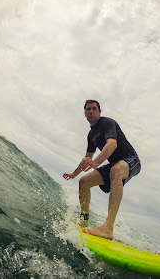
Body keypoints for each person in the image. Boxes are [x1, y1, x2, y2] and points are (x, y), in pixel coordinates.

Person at [63, 100, 141, 240]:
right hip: (114, 164)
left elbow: (112, 144)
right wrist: (73, 174)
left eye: (94, 109)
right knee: (84, 181)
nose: (91, 111)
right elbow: (87, 159)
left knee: (116, 171)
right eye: (88, 109)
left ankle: (108, 228)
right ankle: (84, 219)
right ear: (85, 114)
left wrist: (96, 163)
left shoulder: (107, 123)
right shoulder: (91, 135)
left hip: (132, 160)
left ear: (100, 112)